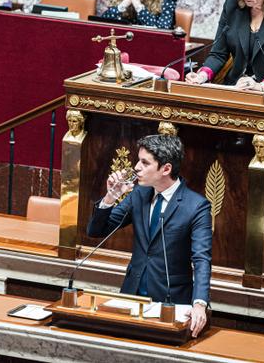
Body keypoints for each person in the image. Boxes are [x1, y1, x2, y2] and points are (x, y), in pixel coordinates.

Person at [87, 134, 211, 337]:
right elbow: (96, 231)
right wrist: (111, 197)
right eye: (138, 160)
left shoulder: (196, 206)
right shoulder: (139, 194)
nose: (136, 167)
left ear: (166, 169)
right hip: (131, 298)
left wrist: (199, 304)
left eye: (145, 163)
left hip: (171, 302)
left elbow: (201, 258)